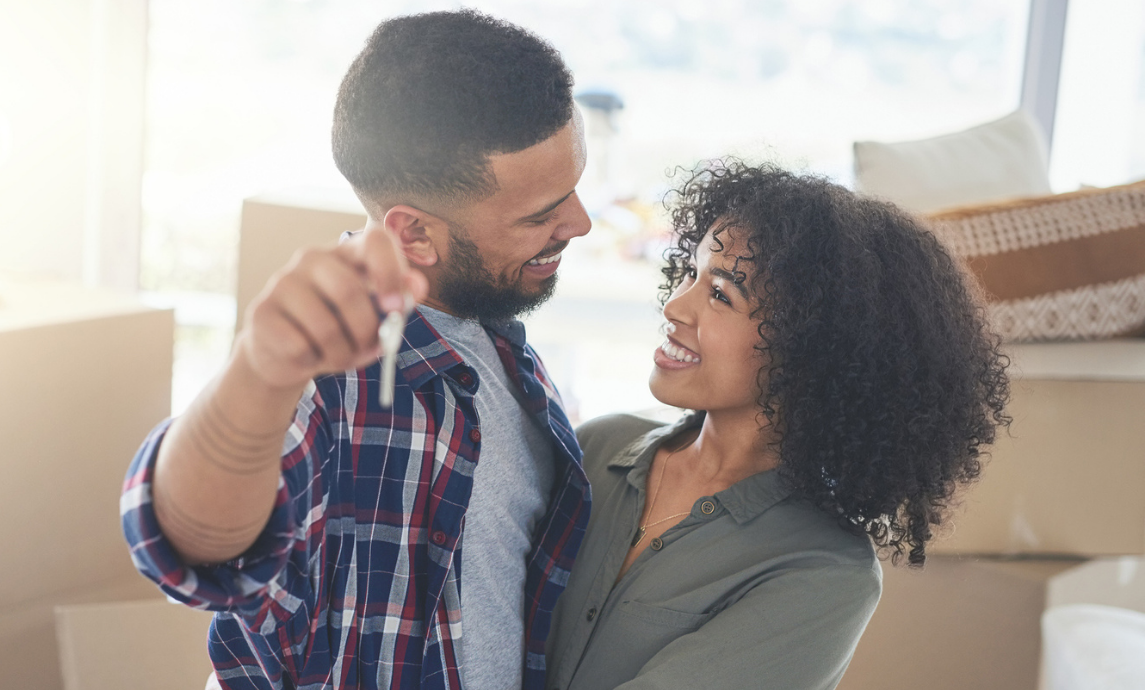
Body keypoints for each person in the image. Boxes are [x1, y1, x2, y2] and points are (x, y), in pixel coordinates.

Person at [121, 10, 594, 690]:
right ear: (415, 235)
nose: (579, 222)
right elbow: (193, 547)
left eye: (574, 186)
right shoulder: (331, 377)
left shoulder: (497, 344)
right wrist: (260, 373)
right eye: (539, 214)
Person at [546, 161, 1011, 690]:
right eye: (690, 274)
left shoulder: (823, 572)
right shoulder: (593, 448)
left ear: (809, 351)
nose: (675, 305)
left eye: (721, 295)